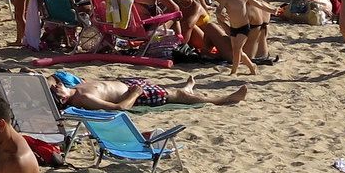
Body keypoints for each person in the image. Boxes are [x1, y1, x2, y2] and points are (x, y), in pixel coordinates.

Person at [47, 71, 247, 110]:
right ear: (63, 100)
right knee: (180, 97)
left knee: (171, 91)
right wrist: (135, 93)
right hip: (134, 95)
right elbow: (119, 107)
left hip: (127, 83)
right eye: (57, 91)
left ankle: (186, 87)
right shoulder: (83, 98)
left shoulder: (74, 88)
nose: (56, 86)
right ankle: (225, 99)